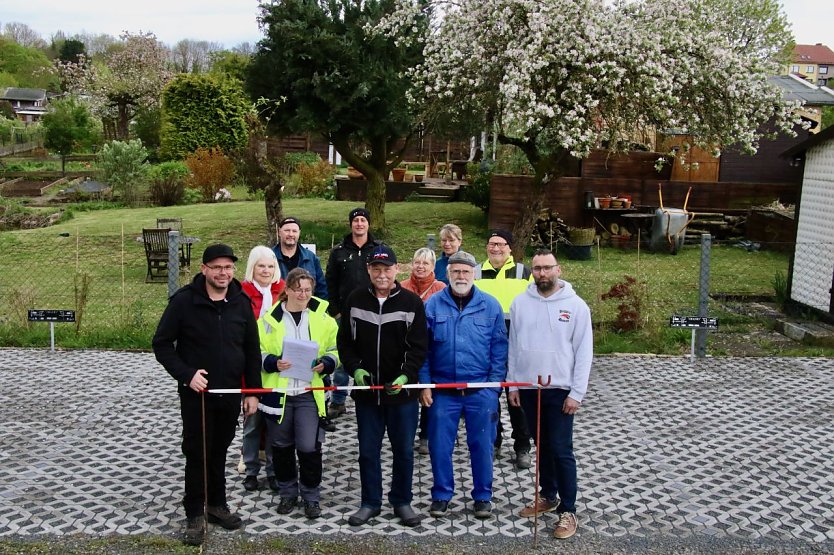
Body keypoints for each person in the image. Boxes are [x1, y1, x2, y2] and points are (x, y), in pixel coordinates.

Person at [152, 244, 261, 546]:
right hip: (197, 395)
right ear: (204, 270)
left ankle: (216, 505)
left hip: (229, 393)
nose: (223, 273)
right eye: (217, 267)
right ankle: (194, 512)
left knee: (220, 450)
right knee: (197, 450)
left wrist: (252, 391)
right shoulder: (184, 302)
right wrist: (187, 375)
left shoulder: (241, 302)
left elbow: (252, 349)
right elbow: (161, 344)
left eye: (228, 267)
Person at [337, 245, 428, 527]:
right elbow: (345, 344)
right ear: (368, 270)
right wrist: (356, 369)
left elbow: (418, 347)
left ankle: (402, 501)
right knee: (367, 451)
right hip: (368, 395)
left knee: (403, 450)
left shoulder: (412, 303)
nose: (381, 274)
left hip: (402, 394)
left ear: (396, 269)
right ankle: (370, 502)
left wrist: (405, 376)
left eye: (387, 269)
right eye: (376, 269)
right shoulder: (354, 300)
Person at [507, 249, 593, 540]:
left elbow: (584, 352)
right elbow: (514, 346)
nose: (542, 273)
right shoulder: (520, 303)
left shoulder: (577, 306)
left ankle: (568, 510)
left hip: (560, 389)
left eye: (547, 268)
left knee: (561, 448)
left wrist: (577, 392)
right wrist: (513, 384)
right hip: (530, 388)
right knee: (540, 444)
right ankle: (548, 495)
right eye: (537, 268)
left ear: (559, 269)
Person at [419, 250, 506, 519]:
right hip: (443, 390)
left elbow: (499, 348)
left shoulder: (490, 305)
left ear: (474, 274)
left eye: (466, 272)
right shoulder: (432, 305)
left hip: (481, 390)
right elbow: (422, 350)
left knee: (482, 444)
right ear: (448, 274)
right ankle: (442, 495)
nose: (460, 276)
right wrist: (424, 384)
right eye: (456, 271)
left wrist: (494, 387)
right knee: (439, 445)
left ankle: (483, 496)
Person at [258, 268, 339, 520]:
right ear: (288, 290)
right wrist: (272, 361)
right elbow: (256, 352)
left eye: (308, 290)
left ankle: (311, 496)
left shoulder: (324, 319)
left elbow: (336, 351)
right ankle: (287, 493)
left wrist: (326, 362)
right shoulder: (268, 320)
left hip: (308, 392)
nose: (303, 294)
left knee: (308, 446)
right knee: (281, 446)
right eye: (298, 289)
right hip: (279, 393)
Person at [473, 229, 533, 469]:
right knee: (490, 397)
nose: (495, 248)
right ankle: (493, 442)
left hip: (517, 346)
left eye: (500, 244)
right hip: (485, 346)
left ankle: (522, 447)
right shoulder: (475, 272)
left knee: (517, 398)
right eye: (491, 244)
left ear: (510, 248)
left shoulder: (523, 272)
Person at [324, 207, 383, 420]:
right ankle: (338, 401)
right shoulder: (339, 251)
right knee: (342, 360)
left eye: (363, 220)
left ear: (368, 224)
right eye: (356, 220)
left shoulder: (378, 250)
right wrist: (336, 312)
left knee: (369, 356)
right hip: (344, 315)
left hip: (373, 314)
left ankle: (369, 397)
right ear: (351, 224)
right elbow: (329, 282)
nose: (359, 224)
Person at [239, 246, 285, 493]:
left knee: (275, 424)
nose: (266, 271)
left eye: (270, 266)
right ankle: (250, 470)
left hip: (278, 369)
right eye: (261, 266)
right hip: (252, 366)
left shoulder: (283, 292)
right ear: (252, 268)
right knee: (253, 422)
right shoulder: (241, 294)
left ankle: (274, 471)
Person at [401, 247, 446, 455]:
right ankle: (406, 435)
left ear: (433, 267)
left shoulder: (441, 288)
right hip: (405, 347)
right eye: (417, 262)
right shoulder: (401, 287)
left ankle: (426, 436)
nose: (420, 266)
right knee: (408, 393)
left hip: (432, 348)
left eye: (425, 263)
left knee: (429, 392)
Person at [272, 217, 327, 299]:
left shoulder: (311, 258)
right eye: (287, 230)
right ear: (279, 232)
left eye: (294, 231)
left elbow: (321, 290)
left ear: (299, 233)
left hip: (306, 309)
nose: (290, 234)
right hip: (276, 309)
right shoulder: (269, 257)